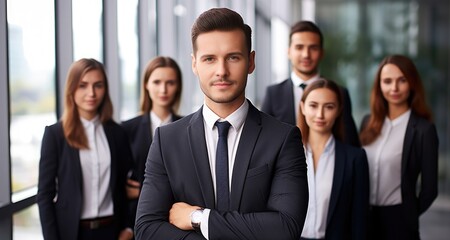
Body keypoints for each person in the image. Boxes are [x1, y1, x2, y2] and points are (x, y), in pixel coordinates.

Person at [135, 8, 309, 240]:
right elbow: (147, 229)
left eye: (233, 57)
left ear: (251, 61)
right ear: (195, 64)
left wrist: (199, 218)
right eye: (209, 59)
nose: (222, 71)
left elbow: (285, 228)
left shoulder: (283, 138)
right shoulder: (167, 140)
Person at [37, 58, 134, 240]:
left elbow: (125, 187)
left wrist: (129, 227)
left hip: (113, 231)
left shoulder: (117, 133)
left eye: (98, 85)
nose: (91, 93)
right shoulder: (55, 135)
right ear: (71, 89)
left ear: (105, 90)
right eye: (83, 85)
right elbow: (44, 195)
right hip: (72, 233)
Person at [359, 55, 439, 240]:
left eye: (402, 80)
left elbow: (430, 189)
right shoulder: (367, 123)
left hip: (399, 221)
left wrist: (408, 214)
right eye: (387, 81)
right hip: (364, 217)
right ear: (379, 85)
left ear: (412, 83)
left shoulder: (423, 130)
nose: (394, 88)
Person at [262, 20, 360, 147]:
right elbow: (262, 143)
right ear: (288, 52)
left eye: (313, 48)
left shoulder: (340, 93)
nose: (306, 54)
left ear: (322, 53)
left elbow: (350, 142)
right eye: (299, 47)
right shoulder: (273, 94)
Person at [297, 78, 369, 240]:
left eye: (329, 107)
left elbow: (359, 220)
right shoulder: (284, 155)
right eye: (313, 106)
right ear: (302, 107)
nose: (320, 115)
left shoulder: (355, 159)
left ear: (338, 110)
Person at [121, 56, 183, 228]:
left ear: (178, 87)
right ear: (146, 85)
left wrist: (140, 191)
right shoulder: (127, 129)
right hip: (137, 221)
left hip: (178, 221)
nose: (163, 89)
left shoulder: (189, 127)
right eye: (156, 82)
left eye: (170, 82)